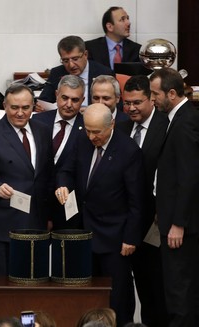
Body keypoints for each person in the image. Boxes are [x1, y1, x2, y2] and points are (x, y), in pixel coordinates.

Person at [56, 104, 143, 326]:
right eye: (88, 130)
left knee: (118, 297)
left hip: (115, 237)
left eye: (97, 132)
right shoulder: (82, 139)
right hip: (83, 233)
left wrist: (131, 238)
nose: (92, 136)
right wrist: (63, 186)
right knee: (86, 296)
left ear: (111, 124)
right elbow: (65, 169)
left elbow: (136, 200)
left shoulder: (129, 151)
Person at [149, 68, 199, 326]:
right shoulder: (182, 117)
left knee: (180, 289)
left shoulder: (185, 122)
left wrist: (178, 222)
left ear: (172, 94)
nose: (152, 99)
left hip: (180, 224)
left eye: (155, 94)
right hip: (178, 218)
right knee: (190, 285)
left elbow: (189, 178)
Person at [0, 84, 53, 299]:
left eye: (26, 107)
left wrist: (48, 215)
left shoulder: (42, 131)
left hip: (35, 223)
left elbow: (46, 174)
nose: (20, 113)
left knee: (31, 287)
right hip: (2, 225)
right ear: (4, 106)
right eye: (14, 107)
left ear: (34, 107)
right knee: (2, 289)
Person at [117, 75, 169, 327]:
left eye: (137, 102)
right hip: (126, 223)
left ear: (151, 99)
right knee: (125, 290)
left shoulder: (166, 127)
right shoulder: (121, 126)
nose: (132, 108)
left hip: (155, 224)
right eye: (127, 103)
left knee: (155, 292)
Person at [31, 75, 86, 230]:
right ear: (56, 95)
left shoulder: (88, 130)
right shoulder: (37, 121)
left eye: (75, 100)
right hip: (36, 204)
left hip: (68, 209)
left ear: (82, 100)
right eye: (64, 98)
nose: (68, 104)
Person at [38, 35, 113, 109]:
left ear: (85, 54)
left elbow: (115, 105)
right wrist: (40, 106)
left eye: (75, 59)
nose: (71, 65)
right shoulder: (57, 72)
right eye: (65, 60)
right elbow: (44, 101)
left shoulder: (104, 73)